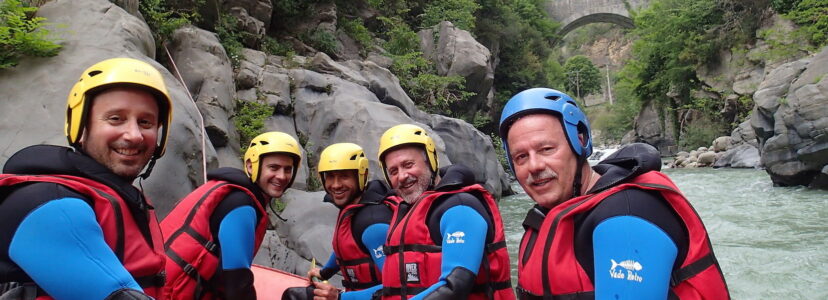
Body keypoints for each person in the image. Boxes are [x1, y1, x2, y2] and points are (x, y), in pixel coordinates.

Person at [498, 88, 729, 299]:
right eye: (521, 157)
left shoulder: (627, 216)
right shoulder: (551, 216)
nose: (534, 166)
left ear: (580, 142)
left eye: (546, 149)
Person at [0, 57, 172, 299]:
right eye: (115, 119)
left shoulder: (123, 198)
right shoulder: (50, 204)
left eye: (145, 122)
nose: (134, 135)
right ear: (80, 128)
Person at [314, 124, 515, 300]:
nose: (402, 176)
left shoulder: (460, 208)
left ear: (431, 161)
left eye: (409, 165)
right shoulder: (405, 212)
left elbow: (455, 286)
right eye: (393, 171)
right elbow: (393, 289)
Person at [161, 131, 302, 299]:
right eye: (274, 168)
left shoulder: (232, 191)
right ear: (251, 166)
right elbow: (237, 282)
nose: (282, 176)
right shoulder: (241, 204)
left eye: (288, 169)